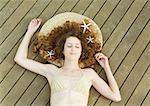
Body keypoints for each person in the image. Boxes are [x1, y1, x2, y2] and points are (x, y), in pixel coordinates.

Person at [14, 13, 121, 106]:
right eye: (69, 46)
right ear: (63, 50)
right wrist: (30, 32)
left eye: (77, 46)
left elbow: (116, 96)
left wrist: (106, 67)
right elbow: (20, 59)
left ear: (81, 52)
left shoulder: (89, 74)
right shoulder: (52, 71)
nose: (73, 49)